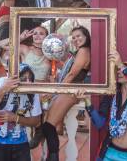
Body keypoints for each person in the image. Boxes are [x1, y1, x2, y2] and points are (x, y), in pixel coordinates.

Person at [40, 26, 91, 161]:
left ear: (86, 36)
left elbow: (72, 74)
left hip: (70, 91)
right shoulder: (80, 51)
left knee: (48, 126)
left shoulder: (84, 51)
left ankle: (52, 158)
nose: (76, 39)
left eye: (79, 36)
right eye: (73, 37)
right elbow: (69, 71)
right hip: (67, 90)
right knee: (49, 126)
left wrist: (54, 92)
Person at [0, 63, 42, 161]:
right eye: (23, 78)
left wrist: (15, 118)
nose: (28, 82)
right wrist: (3, 90)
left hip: (20, 144)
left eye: (30, 78)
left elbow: (36, 121)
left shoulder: (32, 90)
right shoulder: (2, 83)